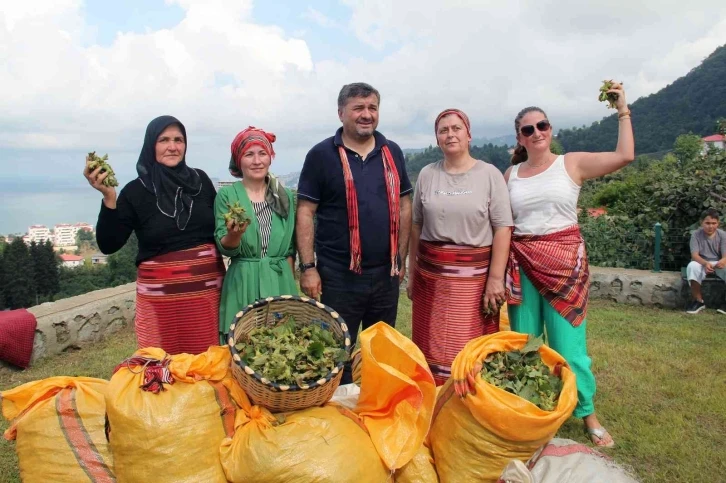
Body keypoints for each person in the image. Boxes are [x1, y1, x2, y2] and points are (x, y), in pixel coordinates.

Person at [504, 81, 634, 448]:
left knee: (569, 347)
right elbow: (498, 221)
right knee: (526, 342)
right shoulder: (510, 175)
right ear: (520, 137)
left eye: (542, 125)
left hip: (565, 265)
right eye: (528, 129)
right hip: (523, 264)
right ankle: (529, 409)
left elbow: (624, 155)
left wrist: (622, 108)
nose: (536, 133)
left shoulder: (571, 163)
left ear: (550, 130)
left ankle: (587, 414)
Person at [296, 82, 413, 383]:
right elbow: (306, 212)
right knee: (336, 352)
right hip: (338, 276)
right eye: (358, 108)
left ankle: (376, 412)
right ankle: (340, 415)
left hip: (385, 275)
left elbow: (404, 205)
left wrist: (399, 259)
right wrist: (308, 268)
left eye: (372, 108)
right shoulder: (321, 155)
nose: (366, 115)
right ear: (341, 113)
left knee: (381, 350)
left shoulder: (392, 152)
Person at [85, 115, 224, 355]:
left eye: (178, 139)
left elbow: (221, 232)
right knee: (161, 370)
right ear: (151, 145)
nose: (173, 146)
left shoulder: (201, 181)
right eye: (164, 140)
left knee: (207, 368)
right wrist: (109, 197)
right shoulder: (135, 191)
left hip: (206, 299)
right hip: (160, 304)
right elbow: (108, 244)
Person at [408, 108, 513, 385]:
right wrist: (412, 271)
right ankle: (431, 402)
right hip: (430, 277)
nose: (450, 134)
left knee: (467, 346)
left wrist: (495, 278)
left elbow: (503, 227)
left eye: (456, 128)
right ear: (437, 139)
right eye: (443, 130)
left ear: (469, 135)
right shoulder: (427, 175)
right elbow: (416, 226)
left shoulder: (489, 174)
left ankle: (467, 406)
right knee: (428, 342)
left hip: (474, 279)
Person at [215, 127, 297, 343]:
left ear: (270, 158)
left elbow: (289, 248)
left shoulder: (284, 195)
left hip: (279, 278)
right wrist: (235, 235)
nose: (257, 160)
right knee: (244, 345)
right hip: (244, 280)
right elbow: (224, 245)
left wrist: (290, 290)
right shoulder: (228, 195)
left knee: (283, 346)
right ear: (239, 161)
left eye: (262, 153)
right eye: (249, 154)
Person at [685, 208, 726, 314]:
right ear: (701, 222)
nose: (710, 226)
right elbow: (694, 255)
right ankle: (698, 301)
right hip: (701, 262)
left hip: (718, 263)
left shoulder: (722, 235)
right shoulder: (696, 234)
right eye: (707, 223)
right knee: (692, 266)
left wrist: (723, 261)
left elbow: (725, 256)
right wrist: (705, 263)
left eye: (714, 223)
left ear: (718, 223)